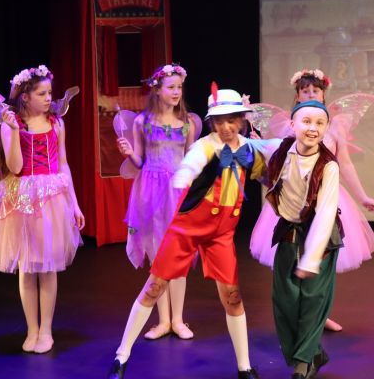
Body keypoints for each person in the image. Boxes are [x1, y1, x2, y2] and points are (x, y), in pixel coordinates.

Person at [108, 87, 279, 379]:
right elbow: (193, 161)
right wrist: (184, 174)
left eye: (231, 120)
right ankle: (121, 356)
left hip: (221, 235)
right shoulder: (206, 146)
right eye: (219, 121)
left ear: (240, 120)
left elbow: (267, 169)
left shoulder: (249, 150)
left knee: (233, 297)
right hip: (186, 229)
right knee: (154, 288)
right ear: (212, 123)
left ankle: (244, 366)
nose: (225, 127)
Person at [249, 69, 374, 332]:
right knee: (295, 260)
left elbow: (345, 164)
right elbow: (277, 161)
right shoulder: (291, 127)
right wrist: (258, 146)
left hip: (326, 198)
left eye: (315, 91)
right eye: (305, 91)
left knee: (321, 260)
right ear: (297, 96)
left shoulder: (334, 127)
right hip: (295, 200)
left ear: (323, 94)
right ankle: (297, 314)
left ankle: (318, 315)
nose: (310, 95)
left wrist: (362, 195)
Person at [0, 65, 85, 354]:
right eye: (42, 93)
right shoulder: (11, 124)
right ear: (25, 96)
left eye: (49, 92)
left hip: (51, 198)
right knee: (27, 267)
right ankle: (32, 329)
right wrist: (13, 131)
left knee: (47, 267)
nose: (49, 98)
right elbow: (15, 167)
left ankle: (46, 330)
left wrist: (75, 204)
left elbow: (63, 164)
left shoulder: (57, 124)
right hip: (22, 197)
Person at [116, 64, 199, 341]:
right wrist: (129, 153)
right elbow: (140, 161)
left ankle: (178, 319)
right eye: (171, 87)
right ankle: (163, 320)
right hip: (151, 193)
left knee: (178, 256)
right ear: (157, 90)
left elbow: (190, 159)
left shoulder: (187, 123)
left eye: (179, 87)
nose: (176, 92)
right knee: (159, 256)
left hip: (178, 192)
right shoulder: (143, 122)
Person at [265, 100, 342, 379]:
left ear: (326, 128)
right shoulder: (281, 150)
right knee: (285, 300)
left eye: (320, 123)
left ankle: (303, 363)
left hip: (321, 237)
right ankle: (313, 353)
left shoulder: (328, 166)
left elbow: (325, 213)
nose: (312, 128)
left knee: (313, 299)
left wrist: (311, 258)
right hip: (289, 230)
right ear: (292, 125)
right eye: (306, 122)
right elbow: (253, 152)